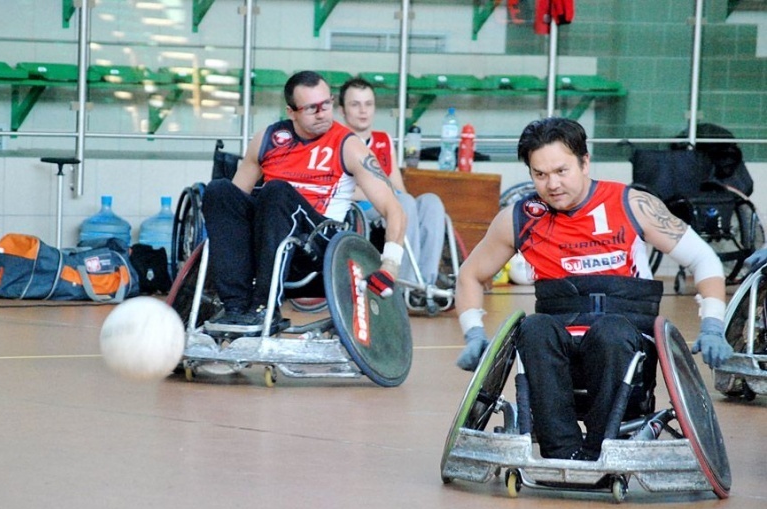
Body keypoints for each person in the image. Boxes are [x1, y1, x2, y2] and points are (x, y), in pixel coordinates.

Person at [454, 117, 733, 461]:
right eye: (540, 174)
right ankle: (563, 454)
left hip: (625, 346)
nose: (552, 184)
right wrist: (474, 333)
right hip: (559, 348)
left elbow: (704, 259)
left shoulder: (632, 205)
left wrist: (713, 325)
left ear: (585, 162)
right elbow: (470, 274)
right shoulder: (520, 218)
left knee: (610, 331)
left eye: (561, 171)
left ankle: (601, 449)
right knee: (534, 328)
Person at [201, 70, 407, 335]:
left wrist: (390, 265)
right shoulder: (267, 140)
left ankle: (265, 308)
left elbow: (394, 208)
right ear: (291, 112)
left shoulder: (349, 145)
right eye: (311, 108)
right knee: (219, 190)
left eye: (326, 104)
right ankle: (235, 308)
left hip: (317, 240)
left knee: (276, 191)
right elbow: (236, 204)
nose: (322, 114)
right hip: (268, 232)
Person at [337, 77, 448, 302]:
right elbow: (339, 189)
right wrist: (384, 196)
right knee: (402, 203)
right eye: (355, 104)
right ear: (342, 110)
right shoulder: (339, 141)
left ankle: (425, 284)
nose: (363, 110)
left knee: (431, 202)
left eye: (368, 104)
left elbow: (397, 185)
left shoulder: (384, 140)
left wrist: (397, 198)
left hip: (389, 202)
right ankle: (404, 285)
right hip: (361, 208)